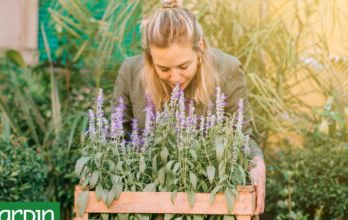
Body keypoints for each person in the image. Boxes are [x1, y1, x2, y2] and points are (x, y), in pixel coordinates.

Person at [110, 0, 266, 215]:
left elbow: (241, 136)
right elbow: (116, 136)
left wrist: (256, 161)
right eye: (163, 68)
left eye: (183, 66)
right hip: (146, 201)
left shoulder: (227, 70)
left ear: (200, 47)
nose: (175, 78)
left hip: (209, 201)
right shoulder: (131, 71)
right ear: (150, 57)